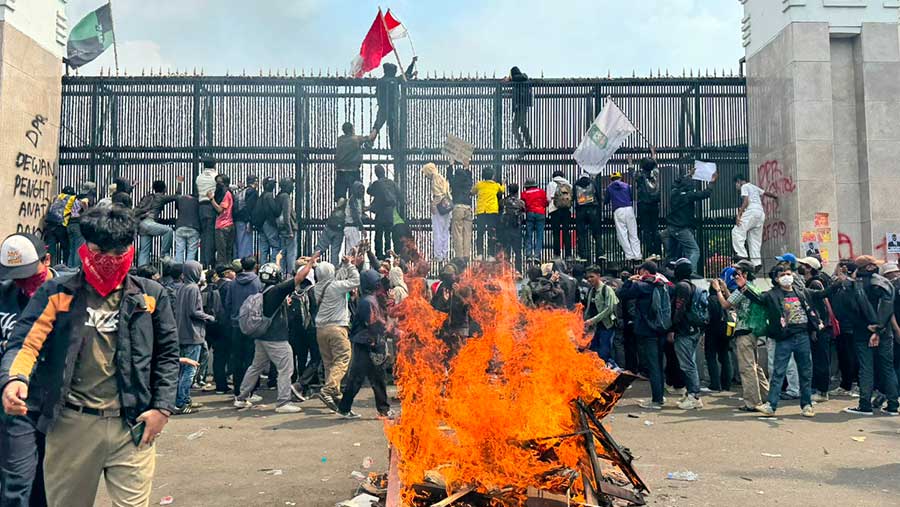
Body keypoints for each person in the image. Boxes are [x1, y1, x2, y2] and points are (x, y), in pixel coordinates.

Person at [1, 206, 178, 506]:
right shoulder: (58, 293)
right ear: (84, 248)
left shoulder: (150, 296)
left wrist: (162, 408)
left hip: (131, 425)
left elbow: (167, 355)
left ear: (130, 250)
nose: (108, 260)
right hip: (71, 424)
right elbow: (26, 342)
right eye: (99, 251)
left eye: (117, 251)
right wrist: (14, 379)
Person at [0, 234, 56, 507]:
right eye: (14, 276)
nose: (22, 283)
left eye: (27, 274)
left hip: (57, 404)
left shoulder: (68, 293)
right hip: (14, 402)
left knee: (49, 482)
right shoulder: (4, 294)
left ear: (47, 260)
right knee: (16, 482)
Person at [234, 258, 316, 414]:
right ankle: (283, 402)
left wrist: (278, 260)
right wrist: (311, 262)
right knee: (286, 368)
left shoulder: (265, 291)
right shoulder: (277, 291)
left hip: (262, 338)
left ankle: (241, 397)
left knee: (255, 367)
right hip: (276, 339)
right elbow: (299, 278)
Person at [737, 264, 818, 417]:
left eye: (789, 273)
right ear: (776, 279)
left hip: (802, 336)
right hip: (784, 338)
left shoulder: (801, 292)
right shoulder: (772, 295)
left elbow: (821, 294)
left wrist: (842, 282)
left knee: (805, 371)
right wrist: (744, 287)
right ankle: (771, 405)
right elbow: (758, 299)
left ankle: (806, 405)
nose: (787, 276)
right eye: (782, 275)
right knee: (778, 372)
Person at [842, 255, 899, 416]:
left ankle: (865, 404)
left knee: (866, 368)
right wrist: (879, 329)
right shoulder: (883, 283)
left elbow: (851, 311)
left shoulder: (853, 286)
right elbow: (887, 308)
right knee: (887, 368)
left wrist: (872, 330)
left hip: (863, 333)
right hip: (884, 333)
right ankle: (893, 404)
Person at [336, 269, 393, 419]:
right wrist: (391, 332)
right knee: (362, 378)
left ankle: (347, 408)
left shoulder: (371, 299)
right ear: (374, 284)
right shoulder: (368, 301)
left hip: (368, 343)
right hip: (368, 344)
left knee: (372, 378)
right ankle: (381, 410)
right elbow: (373, 324)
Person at [713, 260, 769, 411]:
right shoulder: (751, 288)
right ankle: (766, 395)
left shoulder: (743, 289)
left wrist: (718, 290)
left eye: (737, 273)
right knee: (755, 366)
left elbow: (726, 305)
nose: (734, 276)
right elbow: (736, 302)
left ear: (744, 274)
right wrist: (725, 289)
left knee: (746, 368)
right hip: (753, 331)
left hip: (743, 332)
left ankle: (752, 403)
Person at [617, 261, 671, 409]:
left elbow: (622, 294)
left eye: (639, 271)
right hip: (661, 328)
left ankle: (657, 400)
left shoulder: (642, 286)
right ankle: (660, 396)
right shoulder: (662, 284)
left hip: (648, 331)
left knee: (652, 365)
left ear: (645, 272)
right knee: (659, 364)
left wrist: (629, 280)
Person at [313, 257, 361, 412]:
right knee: (342, 359)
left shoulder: (317, 287)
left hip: (320, 329)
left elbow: (337, 277)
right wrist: (350, 265)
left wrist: (345, 263)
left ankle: (334, 395)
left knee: (329, 364)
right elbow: (356, 280)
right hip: (337, 328)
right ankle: (328, 390)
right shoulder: (335, 287)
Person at [173, 261, 215, 414]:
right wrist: (209, 317)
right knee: (190, 370)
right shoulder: (193, 289)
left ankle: (182, 399)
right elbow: (194, 311)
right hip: (193, 334)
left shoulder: (182, 288)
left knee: (182, 369)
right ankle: (181, 402)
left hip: (182, 333)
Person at [668, 258, 704, 410]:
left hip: (684, 331)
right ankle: (690, 393)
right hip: (693, 330)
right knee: (690, 362)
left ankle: (694, 396)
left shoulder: (682, 286)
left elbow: (679, 309)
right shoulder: (693, 286)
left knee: (687, 365)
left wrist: (672, 328)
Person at [666, 171, 718, 273]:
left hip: (671, 228)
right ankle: (690, 272)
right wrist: (712, 182)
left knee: (675, 254)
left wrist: (688, 175)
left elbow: (675, 183)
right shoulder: (688, 195)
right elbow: (705, 193)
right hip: (681, 228)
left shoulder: (674, 192)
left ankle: (672, 273)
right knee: (694, 250)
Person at [797, 256, 833, 402]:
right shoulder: (810, 283)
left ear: (809, 268)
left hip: (820, 329)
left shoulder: (814, 284)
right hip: (819, 327)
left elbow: (818, 309)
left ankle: (822, 391)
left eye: (803, 265)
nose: (800, 267)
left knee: (821, 360)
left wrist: (815, 328)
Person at [226, 257, 262, 399]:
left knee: (237, 358)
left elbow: (228, 303)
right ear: (255, 266)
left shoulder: (233, 283)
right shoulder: (257, 282)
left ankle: (237, 390)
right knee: (251, 360)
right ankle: (249, 391)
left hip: (236, 325)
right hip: (252, 325)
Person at [288, 258, 321, 400]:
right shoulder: (313, 290)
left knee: (300, 358)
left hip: (295, 330)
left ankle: (298, 385)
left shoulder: (293, 291)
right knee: (315, 357)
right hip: (311, 329)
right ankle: (303, 385)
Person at [827, 259, 860, 397]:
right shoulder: (838, 285)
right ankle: (845, 384)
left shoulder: (852, 286)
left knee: (852, 356)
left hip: (850, 327)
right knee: (844, 357)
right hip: (840, 327)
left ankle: (856, 384)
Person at [732, 174, 775, 269]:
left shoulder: (744, 186)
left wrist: (739, 215)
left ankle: (741, 255)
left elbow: (746, 201)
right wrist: (775, 197)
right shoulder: (753, 187)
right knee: (754, 239)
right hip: (760, 213)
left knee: (737, 231)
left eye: (736, 184)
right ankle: (756, 262)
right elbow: (766, 193)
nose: (736, 187)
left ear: (739, 181)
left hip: (751, 211)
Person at [584, 265, 619, 368]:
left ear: (598, 276)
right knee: (593, 352)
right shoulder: (591, 291)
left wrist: (593, 320)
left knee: (604, 353)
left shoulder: (607, 290)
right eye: (588, 277)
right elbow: (589, 308)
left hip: (606, 327)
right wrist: (585, 322)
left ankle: (613, 372)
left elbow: (609, 309)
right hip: (594, 328)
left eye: (592, 276)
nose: (589, 279)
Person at [704, 274, 733, 393]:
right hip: (726, 330)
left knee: (711, 356)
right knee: (725, 356)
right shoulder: (726, 299)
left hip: (712, 330)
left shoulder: (710, 299)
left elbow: (706, 317)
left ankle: (715, 384)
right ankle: (726, 384)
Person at [334, 122, 376, 202]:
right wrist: (376, 128)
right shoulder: (356, 139)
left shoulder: (339, 140)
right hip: (353, 172)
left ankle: (340, 212)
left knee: (340, 198)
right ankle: (355, 213)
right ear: (352, 129)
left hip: (340, 172)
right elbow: (371, 138)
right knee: (356, 197)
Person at [367, 165, 402, 259]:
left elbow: (369, 191)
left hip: (380, 212)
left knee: (378, 234)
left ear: (376, 174)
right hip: (390, 212)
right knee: (388, 234)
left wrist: (370, 185)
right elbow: (399, 195)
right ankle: (388, 255)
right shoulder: (392, 183)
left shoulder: (376, 184)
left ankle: (379, 255)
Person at [209, 264, 235, 394]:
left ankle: (220, 384)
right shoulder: (229, 286)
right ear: (226, 273)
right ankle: (228, 379)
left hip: (214, 324)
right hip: (226, 325)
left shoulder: (214, 285)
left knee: (218, 356)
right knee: (229, 354)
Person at [605, 172, 640, 262]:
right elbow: (631, 198)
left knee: (622, 234)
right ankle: (637, 255)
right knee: (633, 233)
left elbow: (606, 201)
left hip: (618, 210)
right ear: (620, 178)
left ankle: (629, 255)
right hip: (629, 209)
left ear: (612, 179)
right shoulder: (627, 186)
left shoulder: (609, 187)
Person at [471, 168, 505, 260]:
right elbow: (502, 190)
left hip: (481, 211)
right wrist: (503, 184)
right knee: (492, 233)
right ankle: (491, 255)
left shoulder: (479, 185)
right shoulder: (495, 185)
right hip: (492, 211)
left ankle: (479, 254)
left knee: (480, 233)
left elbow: (472, 192)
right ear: (493, 176)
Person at [633, 149, 661, 256]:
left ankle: (650, 252)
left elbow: (632, 174)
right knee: (655, 228)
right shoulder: (655, 173)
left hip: (643, 205)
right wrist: (653, 154)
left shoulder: (640, 176)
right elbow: (654, 165)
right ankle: (657, 252)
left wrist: (630, 164)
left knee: (646, 229)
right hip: (654, 204)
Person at [422, 163, 452, 261]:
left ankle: (438, 255)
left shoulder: (435, 179)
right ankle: (444, 253)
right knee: (445, 231)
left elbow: (439, 195)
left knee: (437, 231)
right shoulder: (442, 178)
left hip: (439, 208)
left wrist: (433, 205)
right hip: (447, 206)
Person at [571, 173, 603, 263]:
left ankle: (582, 255)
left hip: (580, 211)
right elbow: (598, 197)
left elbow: (573, 198)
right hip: (592, 210)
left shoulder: (576, 184)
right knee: (596, 233)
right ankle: (600, 253)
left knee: (581, 234)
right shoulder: (592, 183)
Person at [43, 187, 78, 265]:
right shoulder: (73, 198)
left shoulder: (57, 197)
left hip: (50, 224)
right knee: (66, 248)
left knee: (51, 249)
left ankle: (50, 267)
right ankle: (65, 266)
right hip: (61, 225)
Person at [67, 181, 97, 268]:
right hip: (78, 224)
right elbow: (84, 202)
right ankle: (75, 268)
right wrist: (87, 212)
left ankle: (70, 268)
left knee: (72, 248)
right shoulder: (87, 197)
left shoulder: (76, 197)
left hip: (70, 223)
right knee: (79, 248)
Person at [448, 164, 474, 261]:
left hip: (458, 207)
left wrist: (451, 165)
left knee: (457, 233)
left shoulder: (455, 183)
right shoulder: (468, 183)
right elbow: (470, 178)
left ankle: (459, 256)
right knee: (467, 233)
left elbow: (449, 176)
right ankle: (466, 255)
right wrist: (467, 167)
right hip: (468, 209)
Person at [253, 177, 281, 264]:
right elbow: (275, 210)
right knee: (275, 246)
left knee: (264, 248)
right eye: (272, 184)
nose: (273, 186)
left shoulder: (262, 195)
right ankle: (273, 267)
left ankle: (263, 269)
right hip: (268, 224)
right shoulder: (268, 195)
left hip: (261, 225)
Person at [196, 159, 219, 266]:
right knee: (210, 235)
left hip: (201, 208)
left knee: (204, 235)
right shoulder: (216, 176)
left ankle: (203, 261)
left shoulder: (199, 177)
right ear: (214, 165)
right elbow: (223, 186)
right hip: (211, 206)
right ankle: (209, 262)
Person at [208, 175, 234, 266]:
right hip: (228, 224)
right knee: (227, 251)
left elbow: (220, 209)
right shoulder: (227, 192)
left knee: (222, 251)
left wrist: (211, 199)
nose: (217, 185)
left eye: (219, 183)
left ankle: (222, 270)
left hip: (222, 226)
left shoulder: (226, 194)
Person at [547, 170, 573, 259]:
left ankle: (557, 254)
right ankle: (568, 254)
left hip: (554, 211)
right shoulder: (568, 185)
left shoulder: (551, 184)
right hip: (566, 211)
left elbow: (548, 199)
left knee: (556, 233)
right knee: (566, 232)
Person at [521, 178, 548, 262]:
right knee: (539, 235)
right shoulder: (542, 192)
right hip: (540, 213)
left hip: (530, 213)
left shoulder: (524, 193)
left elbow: (523, 205)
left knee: (529, 234)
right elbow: (546, 203)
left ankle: (528, 255)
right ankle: (537, 255)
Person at [499, 183, 525, 270]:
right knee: (518, 252)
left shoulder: (503, 201)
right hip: (516, 230)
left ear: (508, 190)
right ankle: (518, 271)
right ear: (517, 191)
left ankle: (506, 272)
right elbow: (524, 211)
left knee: (506, 252)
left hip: (505, 230)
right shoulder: (520, 202)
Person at [233, 175, 259, 260]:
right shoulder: (252, 192)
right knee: (245, 244)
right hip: (245, 221)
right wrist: (249, 222)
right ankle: (244, 264)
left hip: (237, 220)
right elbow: (250, 208)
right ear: (255, 182)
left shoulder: (241, 192)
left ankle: (237, 264)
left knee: (238, 243)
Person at [276, 178, 298, 274]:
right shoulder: (285, 197)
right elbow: (286, 215)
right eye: (291, 186)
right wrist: (290, 231)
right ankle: (291, 274)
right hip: (288, 229)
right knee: (291, 253)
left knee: (283, 253)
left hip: (281, 229)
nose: (293, 188)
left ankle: (282, 272)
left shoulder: (279, 196)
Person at [507, 66, 533, 148]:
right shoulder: (519, 80)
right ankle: (524, 145)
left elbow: (518, 78)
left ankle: (527, 144)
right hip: (520, 106)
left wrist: (510, 79)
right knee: (516, 127)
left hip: (521, 106)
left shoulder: (521, 77)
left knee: (519, 125)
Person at [316, 199, 348, 263]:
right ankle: (334, 268)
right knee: (335, 252)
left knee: (320, 248)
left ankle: (312, 263)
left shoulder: (335, 212)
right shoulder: (345, 213)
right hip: (339, 232)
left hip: (329, 229)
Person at [173, 190, 201, 263]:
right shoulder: (197, 201)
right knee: (191, 250)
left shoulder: (181, 199)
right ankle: (188, 269)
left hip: (180, 226)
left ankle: (178, 269)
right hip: (193, 227)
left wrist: (179, 184)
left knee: (179, 249)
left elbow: (176, 197)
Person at [344, 181, 366, 257]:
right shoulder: (353, 200)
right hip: (351, 227)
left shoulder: (358, 200)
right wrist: (362, 228)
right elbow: (355, 216)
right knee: (354, 250)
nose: (362, 191)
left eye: (363, 189)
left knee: (352, 250)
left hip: (353, 228)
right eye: (360, 189)